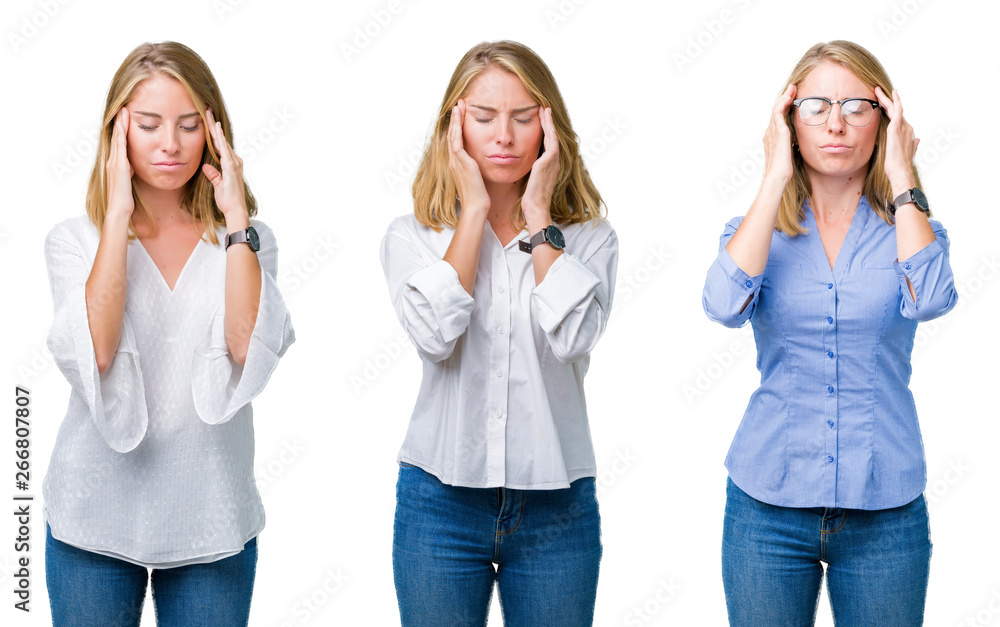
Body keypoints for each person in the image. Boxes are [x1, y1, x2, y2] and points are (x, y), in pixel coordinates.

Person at [702, 40, 957, 626]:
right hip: (766, 508)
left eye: (856, 106)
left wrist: (902, 174)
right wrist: (773, 177)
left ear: (886, 120)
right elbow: (722, 306)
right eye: (815, 105)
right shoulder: (755, 230)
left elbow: (931, 300)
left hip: (884, 511)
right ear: (789, 121)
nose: (836, 122)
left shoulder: (913, 229)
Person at [43, 41, 294, 626]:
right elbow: (97, 352)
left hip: (211, 516)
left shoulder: (249, 242)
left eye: (188, 125)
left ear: (213, 132)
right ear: (117, 132)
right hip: (93, 518)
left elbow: (243, 349)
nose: (169, 144)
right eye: (149, 124)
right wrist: (115, 216)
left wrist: (236, 222)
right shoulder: (73, 240)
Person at [380, 40, 617, 626]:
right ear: (455, 126)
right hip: (439, 504)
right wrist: (473, 211)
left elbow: (573, 339)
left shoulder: (588, 238)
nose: (504, 137)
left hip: (556, 509)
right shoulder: (414, 236)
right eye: (484, 118)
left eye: (523, 117)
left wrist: (539, 220)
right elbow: (436, 337)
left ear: (549, 127)